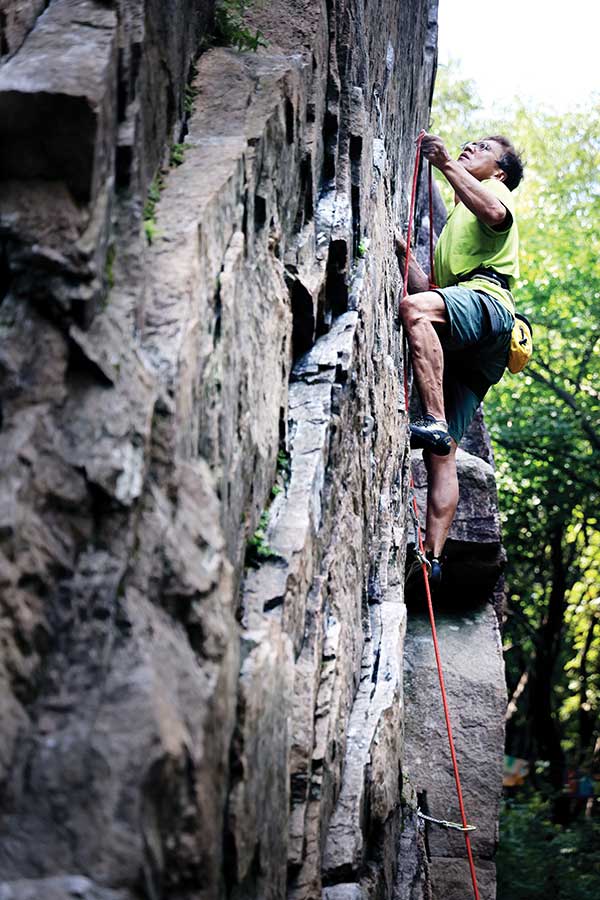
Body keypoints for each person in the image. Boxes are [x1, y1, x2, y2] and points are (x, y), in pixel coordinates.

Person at [396, 133, 524, 583]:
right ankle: (431, 557)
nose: (471, 147)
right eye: (470, 143)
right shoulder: (457, 225)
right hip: (479, 343)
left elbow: (495, 215)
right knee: (443, 453)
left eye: (484, 148)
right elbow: (434, 291)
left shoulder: (495, 193)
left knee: (414, 311)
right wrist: (404, 255)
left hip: (488, 303)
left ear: (500, 171)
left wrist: (447, 162)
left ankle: (432, 419)